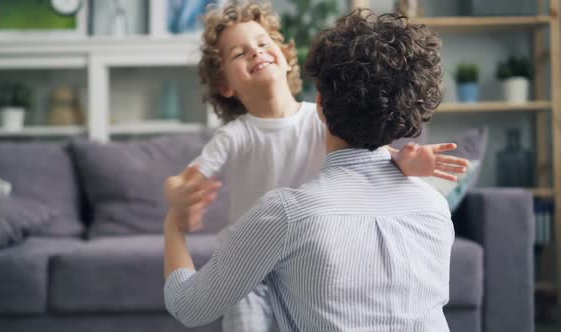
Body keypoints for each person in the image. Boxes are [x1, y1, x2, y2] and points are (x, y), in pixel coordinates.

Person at [164, 8, 453, 331]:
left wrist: (173, 227)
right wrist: (400, 161)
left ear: (319, 106)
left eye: (262, 43)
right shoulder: (435, 209)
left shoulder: (288, 213)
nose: (256, 53)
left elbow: (186, 307)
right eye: (239, 52)